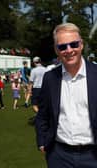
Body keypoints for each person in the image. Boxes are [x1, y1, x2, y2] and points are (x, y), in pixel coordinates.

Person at [35, 22, 97, 168]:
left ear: (81, 45)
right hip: (59, 156)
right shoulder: (50, 78)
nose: (69, 50)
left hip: (93, 155)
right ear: (57, 50)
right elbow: (43, 114)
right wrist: (42, 140)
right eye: (63, 47)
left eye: (73, 44)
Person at [28, 57, 46, 124]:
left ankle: (41, 116)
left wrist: (29, 91)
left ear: (34, 62)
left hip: (36, 89)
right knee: (42, 104)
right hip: (44, 89)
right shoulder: (45, 69)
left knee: (34, 105)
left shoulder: (34, 70)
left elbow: (31, 82)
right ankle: (42, 116)